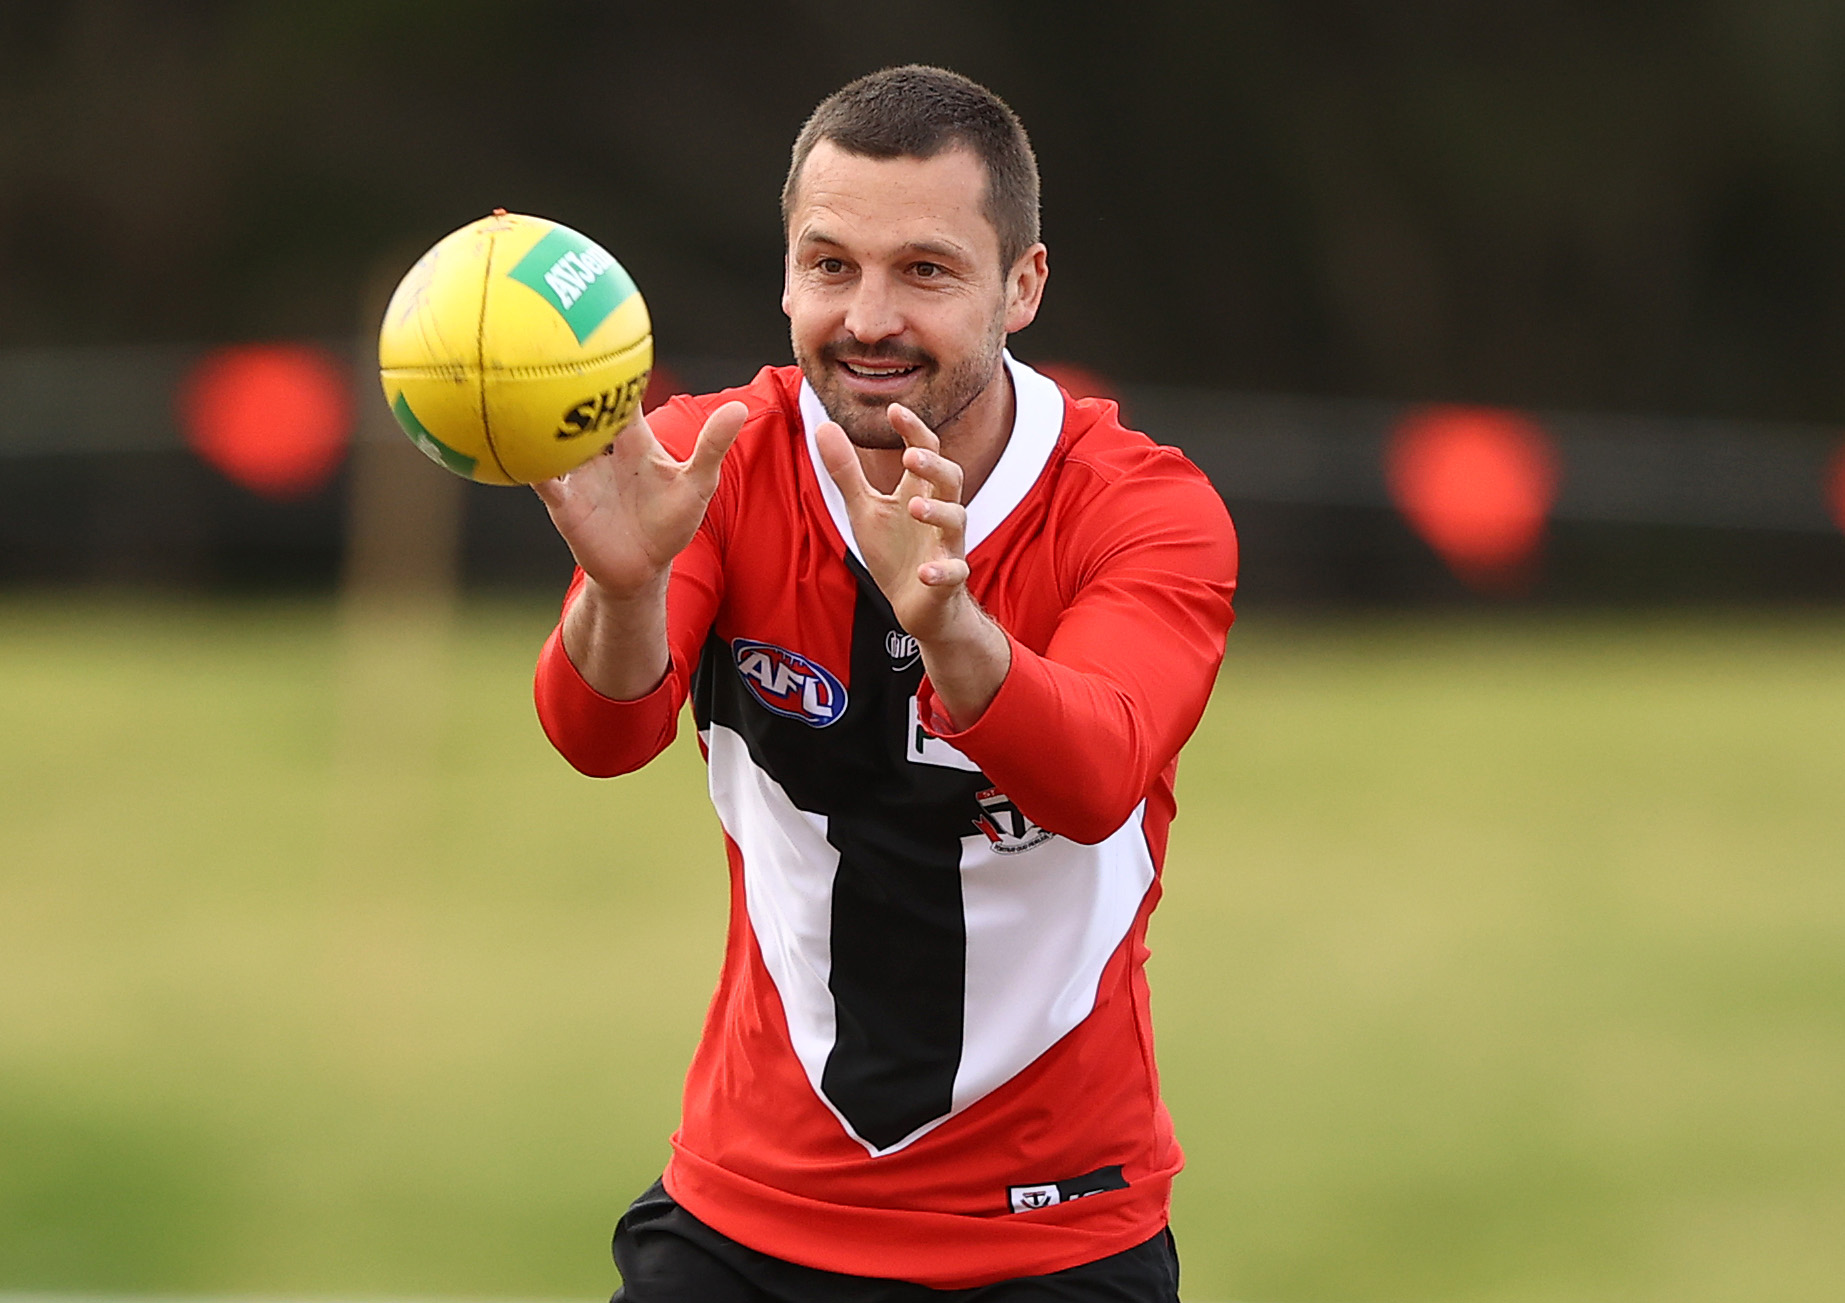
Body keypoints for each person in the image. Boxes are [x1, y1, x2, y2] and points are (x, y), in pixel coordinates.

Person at [532, 65, 1237, 1302]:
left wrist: (949, 624)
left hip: (1050, 1233)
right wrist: (627, 584)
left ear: (1022, 285)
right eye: (830, 264)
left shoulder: (1144, 508)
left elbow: (1097, 774)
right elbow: (601, 735)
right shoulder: (717, 457)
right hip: (745, 1210)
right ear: (787, 272)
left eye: (926, 270)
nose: (867, 317)